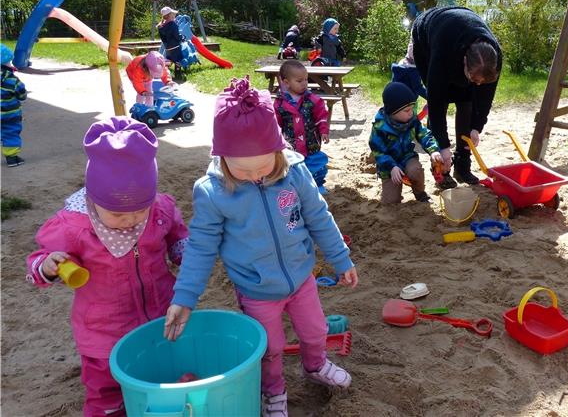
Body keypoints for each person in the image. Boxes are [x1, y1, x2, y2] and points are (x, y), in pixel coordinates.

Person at [163, 76, 357, 417]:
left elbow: (319, 218)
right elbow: (201, 248)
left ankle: (315, 365)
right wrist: (185, 297)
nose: (255, 176)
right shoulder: (212, 192)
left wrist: (341, 258)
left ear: (278, 150)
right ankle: (274, 391)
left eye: (264, 166)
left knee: (316, 331)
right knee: (269, 348)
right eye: (242, 169)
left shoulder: (295, 172)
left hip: (301, 277)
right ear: (222, 158)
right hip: (256, 288)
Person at [26, 117, 189, 417]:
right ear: (93, 199)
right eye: (117, 215)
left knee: (159, 372)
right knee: (106, 392)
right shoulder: (73, 226)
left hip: (159, 316)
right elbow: (39, 258)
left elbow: (177, 239)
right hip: (103, 333)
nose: (130, 221)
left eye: (140, 211)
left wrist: (189, 254)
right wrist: (47, 266)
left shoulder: (159, 211)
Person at [411, 6, 502, 188]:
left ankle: (462, 165)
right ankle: (440, 169)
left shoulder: (493, 58)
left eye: (481, 81)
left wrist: (476, 127)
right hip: (429, 35)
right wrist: (443, 146)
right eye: (474, 79)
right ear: (465, 61)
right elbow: (435, 104)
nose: (478, 84)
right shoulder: (443, 54)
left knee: (467, 101)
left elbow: (485, 99)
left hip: (459, 35)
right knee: (441, 100)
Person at [369, 82, 443, 204]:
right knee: (391, 201)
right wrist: (392, 167)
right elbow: (378, 152)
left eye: (412, 108)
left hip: (407, 157)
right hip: (389, 167)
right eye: (407, 110)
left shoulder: (412, 120)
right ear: (393, 112)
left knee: (416, 170)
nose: (411, 112)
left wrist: (433, 150)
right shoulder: (379, 127)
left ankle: (420, 193)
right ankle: (393, 193)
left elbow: (424, 134)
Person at [273, 60, 330, 193]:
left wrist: (324, 130)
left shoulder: (312, 100)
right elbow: (276, 123)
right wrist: (276, 138)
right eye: (299, 81)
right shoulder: (280, 103)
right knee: (292, 166)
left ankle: (317, 185)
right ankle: (295, 188)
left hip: (311, 142)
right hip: (291, 143)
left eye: (306, 79)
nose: (304, 83)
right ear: (286, 82)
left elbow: (321, 116)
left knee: (316, 164)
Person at [1, 44, 27, 167]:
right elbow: (21, 94)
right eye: (9, 62)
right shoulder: (11, 80)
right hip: (9, 115)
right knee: (10, 133)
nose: (10, 64)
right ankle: (11, 158)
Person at [157, 6, 185, 79]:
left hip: (168, 48)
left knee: (169, 60)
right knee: (178, 61)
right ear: (170, 15)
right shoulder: (173, 24)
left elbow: (163, 39)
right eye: (173, 14)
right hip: (175, 46)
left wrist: (167, 44)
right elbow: (177, 36)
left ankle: (163, 73)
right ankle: (178, 75)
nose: (174, 15)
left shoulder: (161, 26)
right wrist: (182, 37)